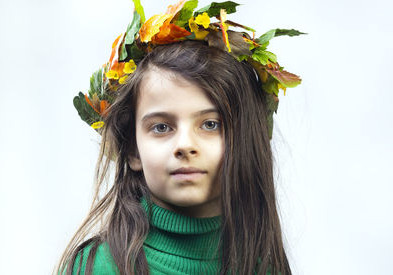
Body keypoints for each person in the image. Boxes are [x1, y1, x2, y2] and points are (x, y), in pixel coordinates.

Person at [56, 1, 304, 274]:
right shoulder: (95, 268)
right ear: (132, 149)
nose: (185, 145)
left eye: (210, 124)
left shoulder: (265, 268)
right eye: (162, 127)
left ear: (245, 139)